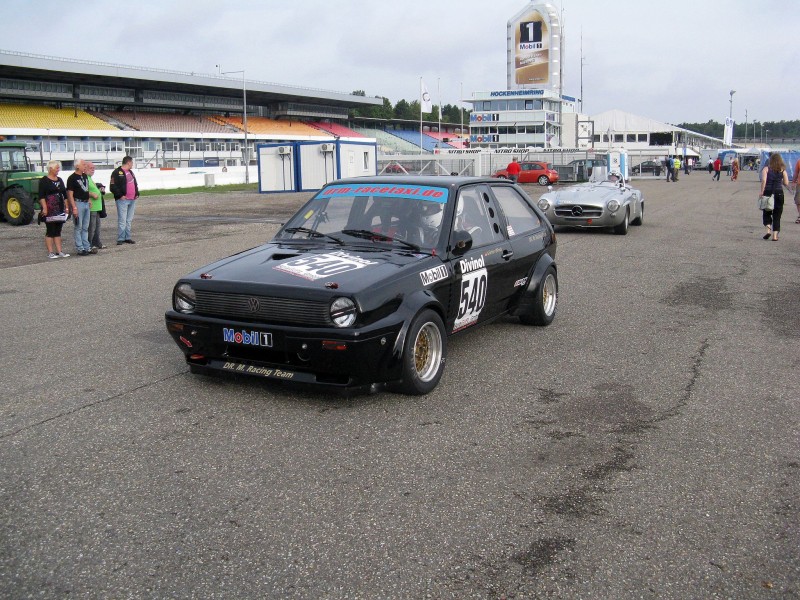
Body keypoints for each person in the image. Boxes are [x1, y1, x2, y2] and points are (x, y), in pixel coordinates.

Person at [38, 160, 70, 259]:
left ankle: (59, 251)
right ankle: (50, 252)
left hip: (59, 208)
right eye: (57, 168)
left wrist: (66, 207)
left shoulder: (60, 180)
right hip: (50, 209)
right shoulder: (44, 180)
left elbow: (64, 195)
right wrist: (44, 208)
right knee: (50, 230)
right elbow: (41, 196)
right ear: (51, 168)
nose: (58, 170)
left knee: (58, 230)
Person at [66, 159, 95, 256]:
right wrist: (73, 207)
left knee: (85, 227)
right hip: (78, 203)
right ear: (77, 166)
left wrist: (88, 199)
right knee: (78, 226)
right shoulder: (72, 178)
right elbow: (70, 194)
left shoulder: (85, 176)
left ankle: (86, 246)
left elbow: (85, 190)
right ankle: (80, 248)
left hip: (86, 203)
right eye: (83, 164)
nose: (85, 166)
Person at [759, 152, 790, 241]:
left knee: (767, 211)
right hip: (779, 193)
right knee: (777, 214)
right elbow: (786, 183)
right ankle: (775, 235)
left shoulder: (766, 169)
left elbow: (764, 180)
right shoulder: (782, 169)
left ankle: (768, 230)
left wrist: (761, 191)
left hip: (768, 192)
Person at [111, 155, 139, 245]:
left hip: (132, 199)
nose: (132, 164)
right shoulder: (117, 172)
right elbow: (113, 186)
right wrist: (120, 195)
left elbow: (135, 184)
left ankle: (128, 237)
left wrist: (137, 193)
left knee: (129, 220)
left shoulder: (131, 172)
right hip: (123, 199)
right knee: (122, 219)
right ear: (128, 162)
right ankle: (121, 238)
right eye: (132, 163)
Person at [86, 161, 106, 251]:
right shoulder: (85, 178)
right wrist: (92, 194)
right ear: (85, 168)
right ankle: (89, 244)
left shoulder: (90, 178)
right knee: (91, 227)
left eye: (94, 168)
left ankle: (97, 242)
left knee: (97, 226)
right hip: (92, 207)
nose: (93, 170)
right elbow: (84, 191)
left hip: (97, 207)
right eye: (91, 168)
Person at [792, 157, 800, 224]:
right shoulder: (799, 161)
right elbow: (796, 172)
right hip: (799, 185)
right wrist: (794, 182)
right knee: (798, 201)